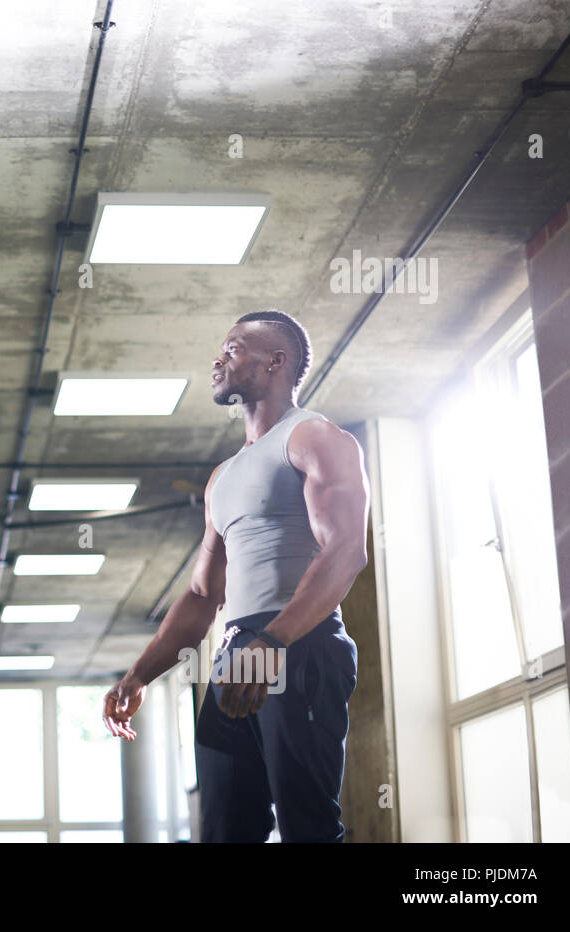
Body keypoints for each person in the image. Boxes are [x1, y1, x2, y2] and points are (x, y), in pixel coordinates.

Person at [102, 309, 369, 842]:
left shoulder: (315, 437)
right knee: (225, 831)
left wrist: (274, 640)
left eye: (234, 347)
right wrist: (139, 674)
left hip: (299, 643)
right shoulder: (223, 476)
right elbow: (203, 595)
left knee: (307, 828)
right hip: (234, 654)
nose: (219, 358)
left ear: (276, 361)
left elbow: (346, 552)